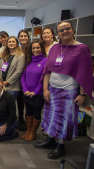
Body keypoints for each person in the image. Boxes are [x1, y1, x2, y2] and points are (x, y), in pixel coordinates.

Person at [34, 21, 93, 159]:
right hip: (53, 89)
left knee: (64, 119)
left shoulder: (81, 48)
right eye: (61, 30)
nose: (64, 31)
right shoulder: (55, 48)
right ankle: (50, 140)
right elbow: (47, 70)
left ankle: (60, 146)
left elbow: (84, 73)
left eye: (67, 29)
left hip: (69, 91)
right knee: (50, 116)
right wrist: (45, 88)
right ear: (57, 34)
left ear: (73, 30)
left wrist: (82, 94)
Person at [20, 40, 47, 141]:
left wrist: (35, 92)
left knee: (36, 112)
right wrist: (25, 89)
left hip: (38, 94)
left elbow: (44, 79)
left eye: (37, 48)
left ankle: (33, 132)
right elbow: (23, 77)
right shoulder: (28, 60)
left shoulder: (45, 60)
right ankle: (28, 131)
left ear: (41, 48)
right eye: (33, 48)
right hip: (26, 92)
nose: (35, 50)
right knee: (28, 111)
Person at [16, 30, 30, 130]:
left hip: (29, 78)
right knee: (20, 101)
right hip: (19, 78)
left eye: (25, 36)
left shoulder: (32, 48)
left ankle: (29, 125)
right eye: (21, 36)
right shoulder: (18, 49)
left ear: (28, 37)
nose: (23, 38)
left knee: (28, 102)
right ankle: (20, 119)